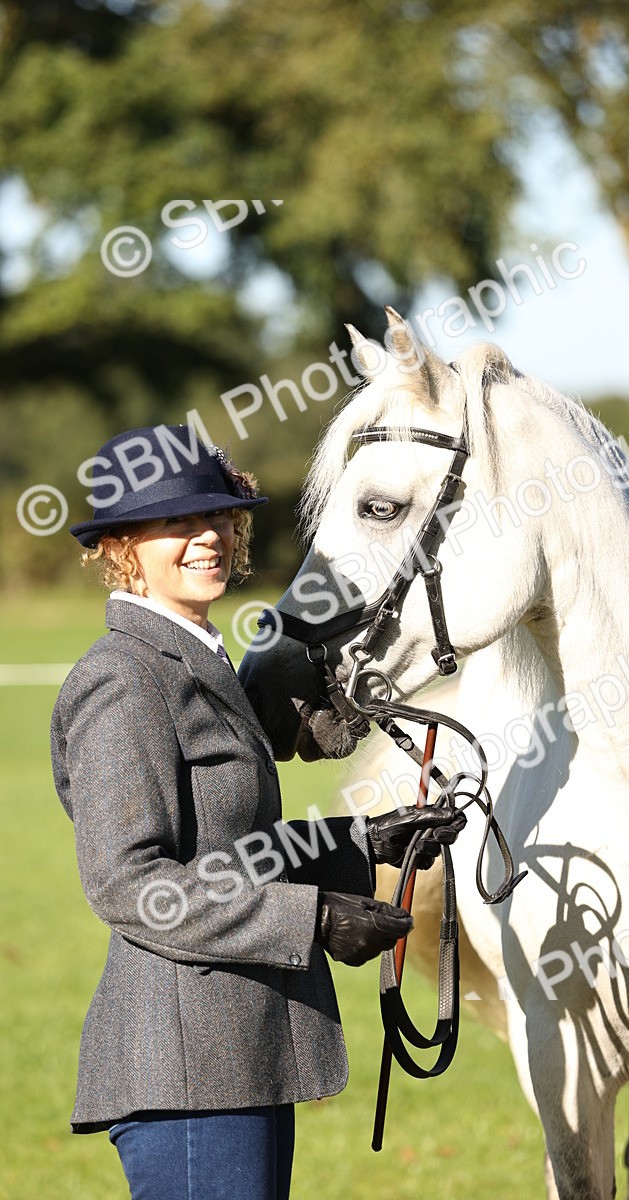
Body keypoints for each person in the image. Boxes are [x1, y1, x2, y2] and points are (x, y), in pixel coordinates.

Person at [51, 424, 465, 1200]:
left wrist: (365, 844)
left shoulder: (197, 657)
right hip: (184, 1073)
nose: (206, 536)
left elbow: (231, 850)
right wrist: (312, 921)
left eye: (216, 517)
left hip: (236, 1055)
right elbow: (131, 884)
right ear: (122, 545)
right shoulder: (125, 678)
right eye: (176, 522)